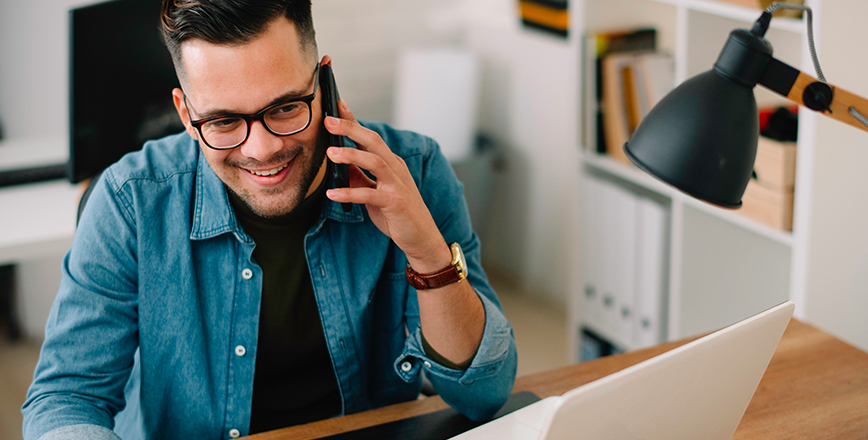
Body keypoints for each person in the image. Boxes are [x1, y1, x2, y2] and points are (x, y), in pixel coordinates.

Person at [22, 1, 516, 439]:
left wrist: (428, 255)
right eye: (222, 121)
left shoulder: (414, 172)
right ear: (185, 113)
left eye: (284, 107)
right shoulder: (129, 202)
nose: (262, 150)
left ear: (324, 80)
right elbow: (65, 399)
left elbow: (485, 394)